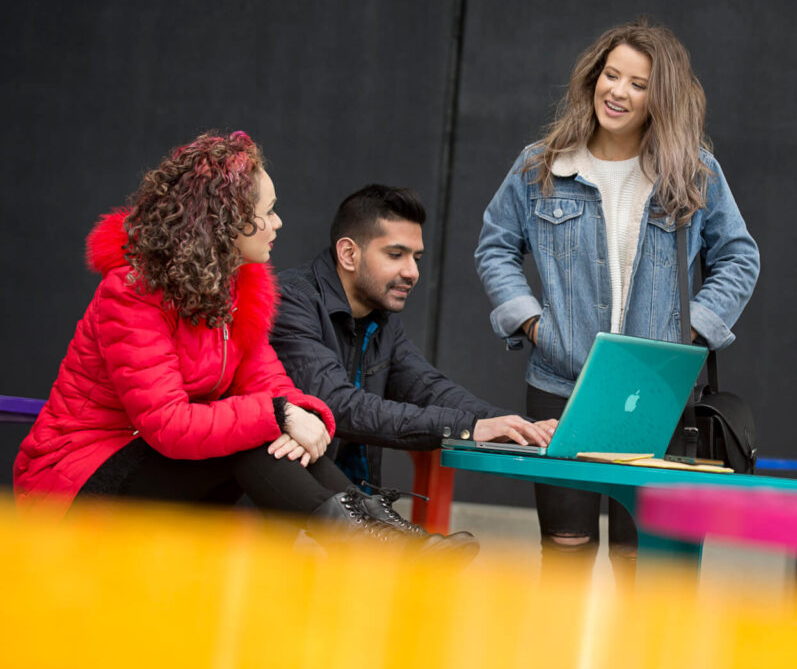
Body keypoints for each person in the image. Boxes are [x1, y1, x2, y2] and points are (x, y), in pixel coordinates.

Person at [12, 132, 466, 556]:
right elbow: (168, 424)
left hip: (160, 465)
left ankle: (375, 530)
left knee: (263, 429)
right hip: (78, 480)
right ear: (225, 219)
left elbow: (269, 381)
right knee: (251, 433)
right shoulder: (132, 292)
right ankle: (368, 539)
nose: (277, 222)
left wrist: (301, 414)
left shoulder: (238, 291)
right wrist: (278, 415)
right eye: (267, 211)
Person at [475, 18, 761, 586]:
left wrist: (688, 335)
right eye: (612, 75)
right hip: (559, 387)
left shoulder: (693, 171)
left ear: (662, 96)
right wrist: (533, 324)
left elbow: (740, 258)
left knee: (643, 564)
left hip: (653, 393)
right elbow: (495, 247)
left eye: (638, 83)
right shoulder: (542, 165)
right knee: (565, 552)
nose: (619, 92)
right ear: (593, 78)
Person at [269, 184, 556, 494]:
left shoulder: (379, 318)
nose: (412, 272)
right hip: (279, 516)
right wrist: (467, 428)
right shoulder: (291, 301)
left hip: (348, 506)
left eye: (416, 257)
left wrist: (515, 425)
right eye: (396, 255)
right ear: (349, 254)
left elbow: (429, 388)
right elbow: (338, 404)